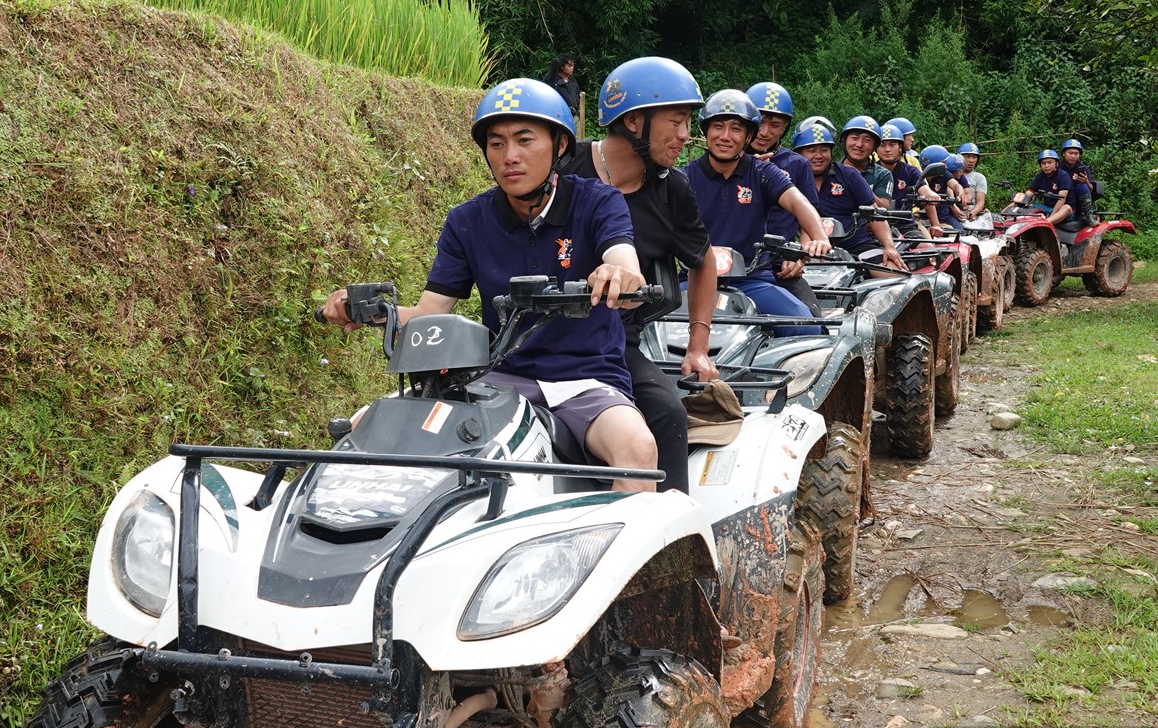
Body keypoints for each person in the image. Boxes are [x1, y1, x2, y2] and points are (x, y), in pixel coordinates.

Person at [321, 78, 658, 492]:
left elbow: (623, 260)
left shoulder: (597, 201)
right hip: (496, 377)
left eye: (524, 140)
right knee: (363, 426)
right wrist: (369, 311)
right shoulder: (467, 221)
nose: (510, 156)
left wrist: (620, 275)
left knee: (638, 449)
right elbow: (429, 314)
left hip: (586, 379)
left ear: (560, 146)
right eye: (496, 144)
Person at [559, 56, 720, 495]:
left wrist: (698, 346)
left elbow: (702, 262)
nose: (687, 136)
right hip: (533, 333)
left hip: (612, 341)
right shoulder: (562, 165)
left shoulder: (673, 190)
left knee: (667, 411)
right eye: (677, 121)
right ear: (634, 121)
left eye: (688, 122)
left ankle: (674, 535)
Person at [685, 89, 832, 319]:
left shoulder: (763, 172)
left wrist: (819, 237)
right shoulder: (684, 177)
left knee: (805, 322)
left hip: (752, 278)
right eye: (717, 127)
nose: (725, 136)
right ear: (705, 131)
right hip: (693, 278)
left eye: (736, 128)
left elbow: (798, 202)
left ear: (747, 137)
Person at [745, 81, 821, 306]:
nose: (764, 132)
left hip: (780, 265)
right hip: (729, 263)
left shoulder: (797, 164)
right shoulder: (723, 162)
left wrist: (800, 255)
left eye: (775, 125)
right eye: (759, 122)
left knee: (814, 325)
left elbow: (808, 219)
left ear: (785, 128)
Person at [794, 121, 908, 269]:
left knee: (894, 276)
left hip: (858, 246)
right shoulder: (790, 179)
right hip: (810, 248)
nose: (819, 156)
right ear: (798, 153)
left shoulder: (849, 175)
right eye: (811, 150)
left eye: (824, 150)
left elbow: (873, 214)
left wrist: (889, 246)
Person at [840, 116, 892, 206]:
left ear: (874, 146)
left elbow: (883, 207)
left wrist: (858, 181)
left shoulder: (882, 174)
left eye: (867, 140)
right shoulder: (832, 171)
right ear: (845, 141)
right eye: (855, 138)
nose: (859, 144)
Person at [1014, 148, 1074, 226]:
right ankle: (1001, 218)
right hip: (1047, 207)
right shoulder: (1040, 176)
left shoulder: (1063, 176)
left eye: (1050, 162)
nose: (1046, 166)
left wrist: (1052, 215)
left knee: (1066, 207)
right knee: (1018, 202)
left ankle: (1044, 224)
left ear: (1056, 163)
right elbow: (1030, 192)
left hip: (1063, 210)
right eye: (1043, 163)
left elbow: (1061, 199)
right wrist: (1023, 201)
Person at [877, 123, 925, 213]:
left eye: (892, 145)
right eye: (882, 145)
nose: (887, 149)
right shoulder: (868, 171)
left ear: (900, 147)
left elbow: (924, 190)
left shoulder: (911, 171)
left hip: (906, 222)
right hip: (874, 223)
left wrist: (930, 195)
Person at [1059, 138, 1098, 225]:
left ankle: (1089, 216)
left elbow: (1090, 190)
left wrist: (1086, 181)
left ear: (1080, 155)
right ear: (1063, 154)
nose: (1073, 156)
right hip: (1060, 198)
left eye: (1076, 153)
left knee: (1082, 187)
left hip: (1077, 202)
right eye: (1070, 153)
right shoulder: (1057, 168)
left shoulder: (1083, 169)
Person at [541, 55, 583, 133]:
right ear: (562, 67)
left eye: (573, 66)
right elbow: (555, 63)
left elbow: (577, 96)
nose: (572, 68)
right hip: (561, 115)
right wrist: (560, 61)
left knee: (578, 140)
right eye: (569, 65)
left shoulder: (573, 81)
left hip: (574, 116)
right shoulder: (555, 80)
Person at [956, 142, 990, 219]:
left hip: (970, 212)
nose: (971, 160)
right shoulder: (952, 175)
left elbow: (980, 202)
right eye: (967, 157)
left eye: (974, 157)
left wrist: (972, 213)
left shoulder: (979, 177)